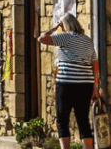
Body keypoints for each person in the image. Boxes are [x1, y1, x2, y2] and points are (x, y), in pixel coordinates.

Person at [39, 13, 100, 149]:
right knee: (83, 120)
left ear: (65, 25)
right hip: (85, 84)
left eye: (61, 24)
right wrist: (96, 87)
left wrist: (55, 28)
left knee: (62, 120)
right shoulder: (87, 40)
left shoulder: (65, 37)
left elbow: (41, 39)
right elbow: (95, 64)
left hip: (66, 83)